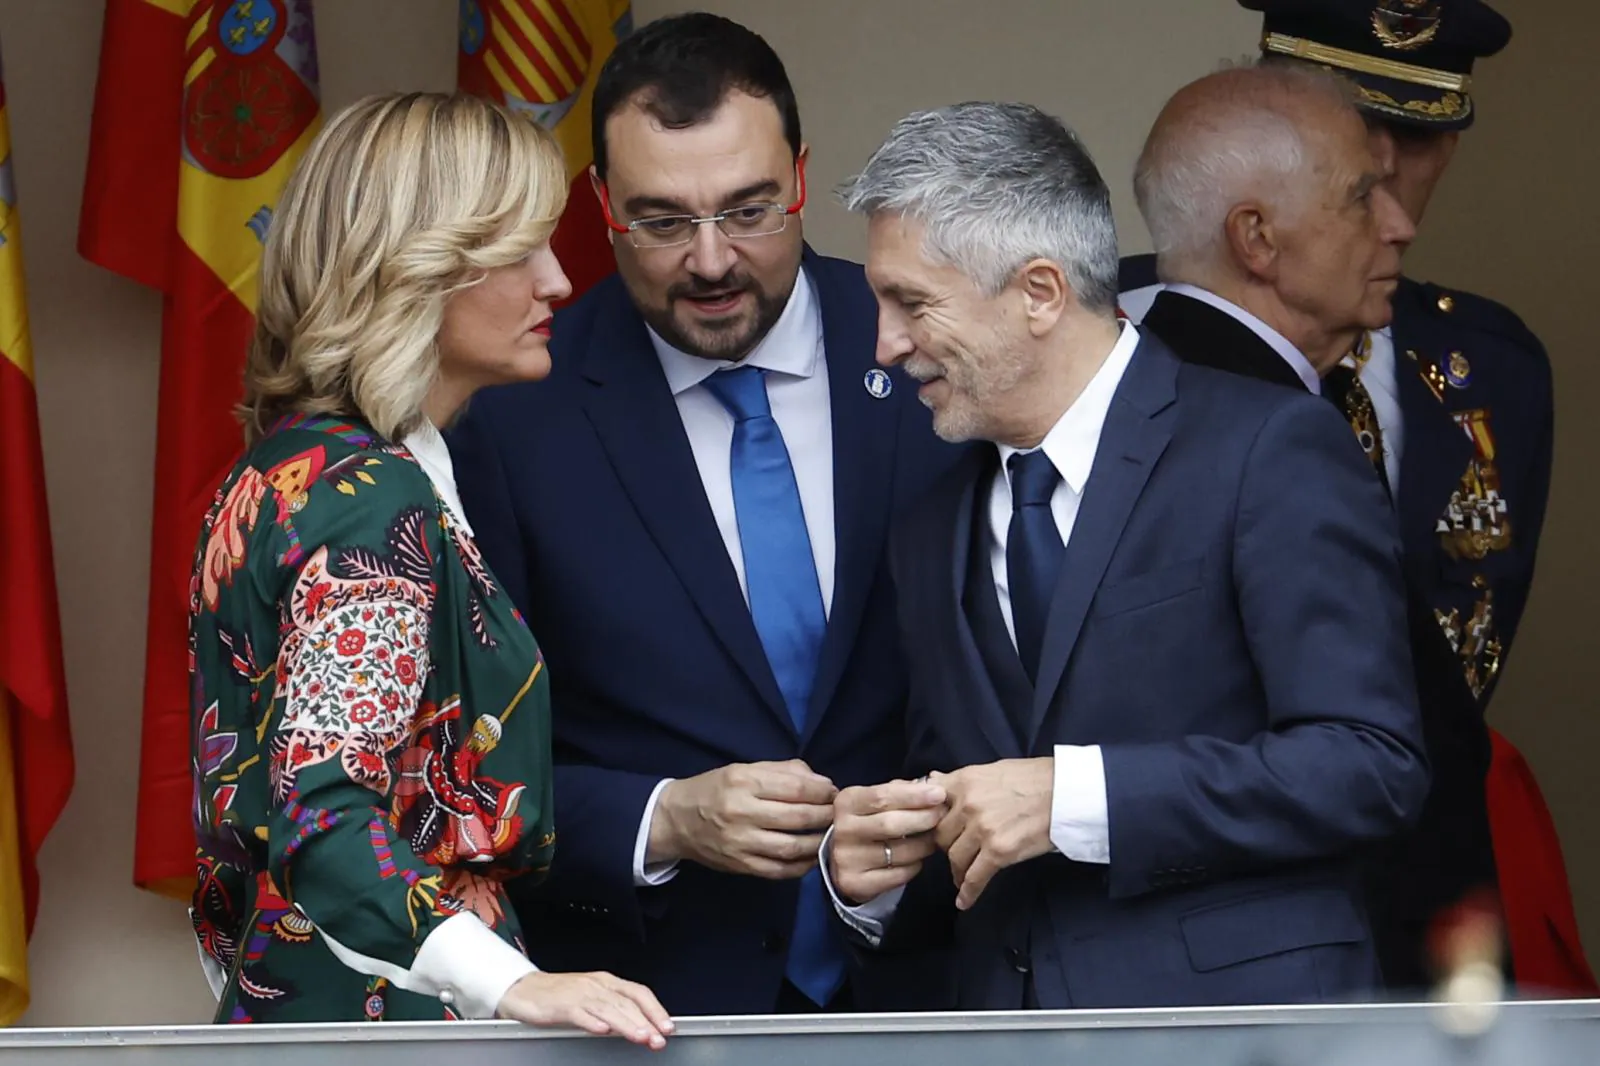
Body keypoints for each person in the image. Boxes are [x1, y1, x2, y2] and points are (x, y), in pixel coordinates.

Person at [822, 98, 1429, 1010]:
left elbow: (1370, 764)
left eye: (912, 303)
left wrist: (1077, 797)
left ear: (1039, 292)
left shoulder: (1267, 449)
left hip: (1240, 1030)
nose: (886, 343)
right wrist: (875, 877)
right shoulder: (928, 527)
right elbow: (975, 819)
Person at [446, 13, 963, 1015]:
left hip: (933, 982)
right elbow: (469, 760)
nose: (714, 260)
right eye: (663, 221)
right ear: (599, 204)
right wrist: (661, 818)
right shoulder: (514, 412)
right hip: (648, 1006)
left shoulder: (931, 350)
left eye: (751, 210)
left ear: (802, 178)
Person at [187, 91, 672, 1045]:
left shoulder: (291, 471)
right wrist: (512, 985)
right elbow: (324, 814)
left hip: (319, 1007)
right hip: (390, 1024)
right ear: (418, 269)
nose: (561, 281)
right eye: (521, 250)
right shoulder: (371, 497)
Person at [1127, 11, 1584, 991]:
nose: (1379, 171)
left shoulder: (1491, 368)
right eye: (1345, 123)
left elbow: (1449, 686)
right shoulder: (1111, 329)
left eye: (1411, 136)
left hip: (1419, 911)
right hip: (1198, 920)